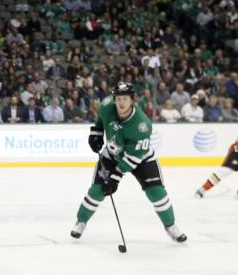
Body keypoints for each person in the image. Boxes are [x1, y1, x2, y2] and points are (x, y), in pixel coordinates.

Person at [71, 81, 186, 244]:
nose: (121, 102)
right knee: (97, 190)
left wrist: (115, 178)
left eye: (125, 98)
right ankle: (81, 221)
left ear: (132, 100)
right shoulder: (106, 106)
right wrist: (96, 133)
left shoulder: (142, 124)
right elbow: (101, 121)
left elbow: (134, 156)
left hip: (140, 159)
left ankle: (171, 226)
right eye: (118, 98)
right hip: (112, 155)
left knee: (156, 193)